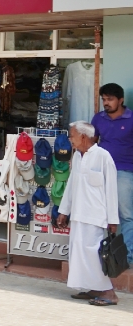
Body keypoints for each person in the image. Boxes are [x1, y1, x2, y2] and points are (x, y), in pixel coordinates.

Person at [57, 121, 121, 306]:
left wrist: (112, 219)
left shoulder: (103, 157)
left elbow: (111, 189)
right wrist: (64, 211)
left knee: (93, 254)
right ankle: (93, 288)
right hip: (78, 214)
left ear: (83, 137)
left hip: (96, 216)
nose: (70, 139)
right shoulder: (77, 156)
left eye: (72, 136)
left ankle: (109, 293)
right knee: (80, 253)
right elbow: (71, 185)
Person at [92, 82, 133, 264]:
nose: (106, 103)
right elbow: (92, 143)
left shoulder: (131, 118)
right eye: (104, 100)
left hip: (124, 171)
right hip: (100, 172)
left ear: (121, 100)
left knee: (125, 215)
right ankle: (103, 254)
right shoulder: (98, 118)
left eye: (110, 99)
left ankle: (128, 257)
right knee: (100, 213)